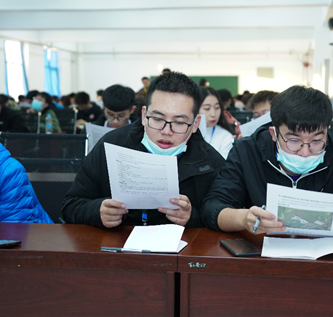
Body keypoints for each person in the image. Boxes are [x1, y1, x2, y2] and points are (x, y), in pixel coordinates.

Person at [201, 85, 333, 236]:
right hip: (261, 253)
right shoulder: (247, 151)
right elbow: (212, 207)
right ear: (274, 133)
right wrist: (244, 218)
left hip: (326, 257)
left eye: (317, 141)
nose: (305, 152)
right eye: (294, 141)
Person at [62, 72, 225, 228]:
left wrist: (192, 218)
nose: (166, 131)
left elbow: (224, 218)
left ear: (195, 124)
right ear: (143, 115)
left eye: (179, 122)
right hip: (117, 244)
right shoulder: (112, 144)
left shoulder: (211, 163)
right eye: (157, 119)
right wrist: (97, 211)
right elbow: (70, 207)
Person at [198, 87, 234, 159]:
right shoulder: (184, 133)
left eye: (217, 107)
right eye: (207, 108)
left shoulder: (226, 137)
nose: (213, 114)